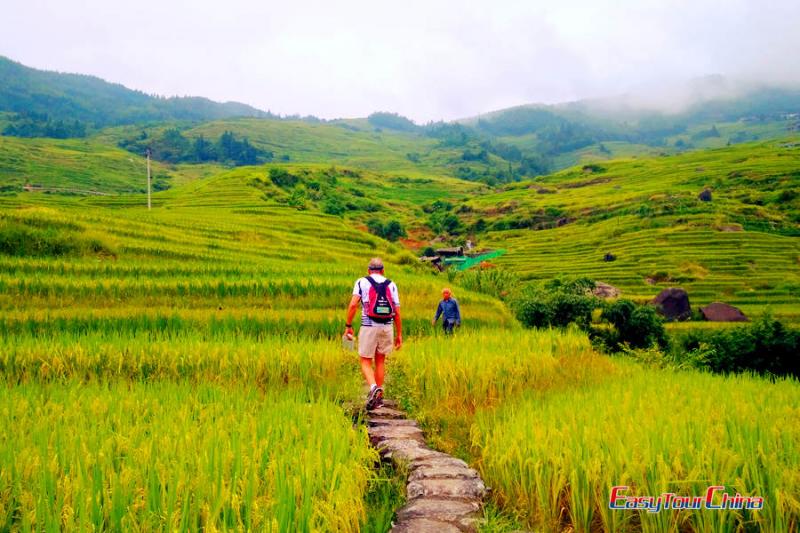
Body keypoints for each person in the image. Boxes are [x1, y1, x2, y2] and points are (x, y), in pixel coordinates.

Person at [345, 258, 402, 410]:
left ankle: (372, 387)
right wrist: (399, 334)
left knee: (364, 360)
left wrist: (348, 325)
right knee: (380, 361)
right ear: (383, 270)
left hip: (369, 326)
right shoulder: (391, 284)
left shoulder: (361, 282)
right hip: (387, 327)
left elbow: (352, 305)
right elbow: (396, 312)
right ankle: (378, 398)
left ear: (368, 270)